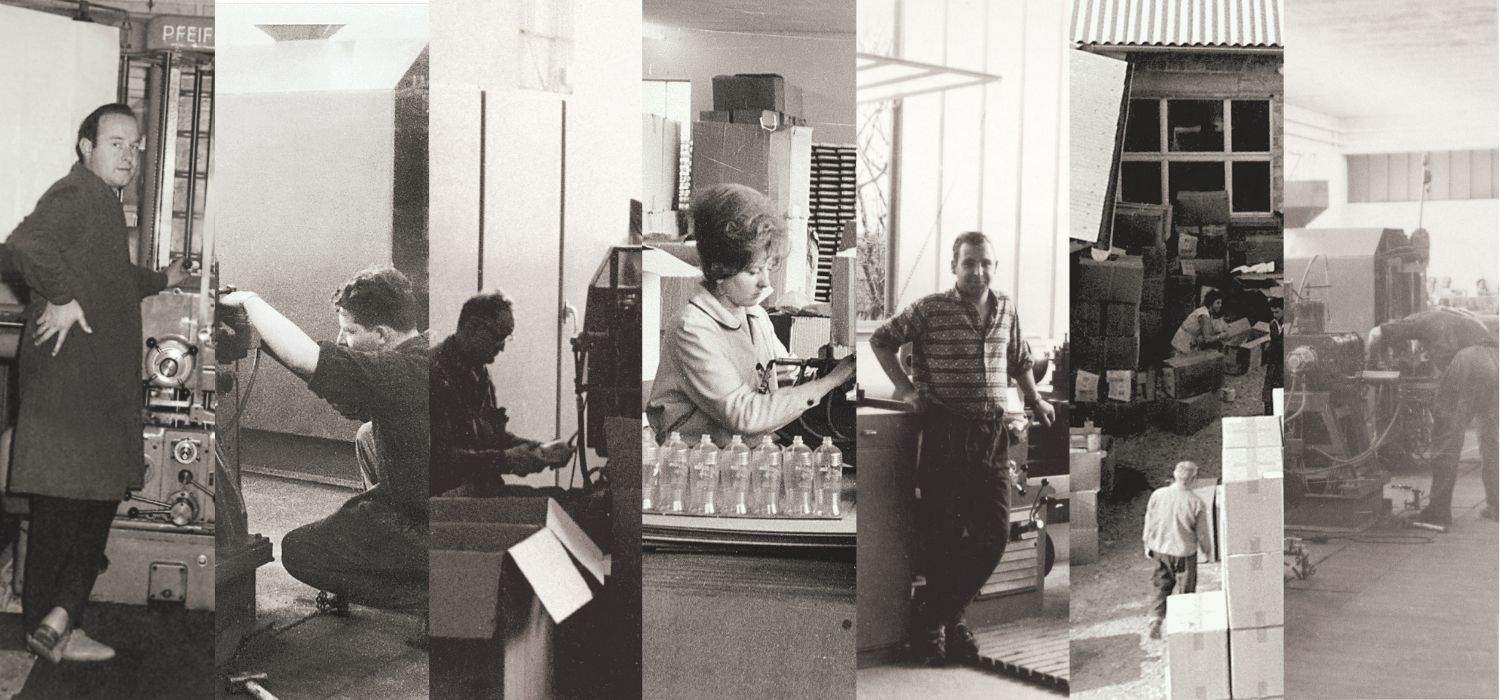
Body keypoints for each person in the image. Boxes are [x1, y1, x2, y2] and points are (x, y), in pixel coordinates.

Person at [7, 103, 189, 663]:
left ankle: (59, 621)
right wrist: (60, 296)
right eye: (115, 143)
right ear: (85, 146)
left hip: (91, 393)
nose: (128, 156)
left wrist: (164, 279)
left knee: (82, 508)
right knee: (70, 514)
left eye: (133, 147)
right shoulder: (78, 195)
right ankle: (56, 624)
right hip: (73, 392)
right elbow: (25, 245)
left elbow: (111, 277)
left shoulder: (102, 207)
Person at [869, 230, 1056, 665]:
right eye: (969, 262)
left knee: (992, 534)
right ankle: (949, 625)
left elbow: (1020, 360)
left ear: (995, 265)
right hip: (944, 432)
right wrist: (905, 388)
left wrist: (1036, 399)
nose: (978, 271)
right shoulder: (930, 309)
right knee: (945, 535)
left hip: (991, 434)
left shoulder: (1006, 307)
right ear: (954, 266)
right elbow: (882, 339)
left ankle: (935, 614)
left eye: (986, 262)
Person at [218, 267, 430, 613]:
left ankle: (433, 597)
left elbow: (314, 362)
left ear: (381, 335)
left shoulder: (403, 372)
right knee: (368, 436)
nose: (342, 339)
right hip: (433, 490)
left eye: (350, 330)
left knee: (301, 550)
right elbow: (340, 381)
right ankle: (396, 541)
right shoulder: (423, 349)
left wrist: (249, 301)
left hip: (432, 518)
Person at [646, 183, 853, 447]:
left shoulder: (755, 315)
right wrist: (832, 381)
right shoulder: (692, 328)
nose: (765, 283)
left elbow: (786, 377)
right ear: (719, 268)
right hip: (697, 468)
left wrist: (823, 370)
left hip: (746, 460)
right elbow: (743, 414)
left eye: (767, 268)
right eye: (754, 272)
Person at [430, 290, 574, 496]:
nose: (502, 348)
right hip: (449, 498)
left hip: (479, 492)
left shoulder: (479, 373)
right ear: (472, 328)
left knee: (561, 498)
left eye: (507, 338)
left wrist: (538, 450)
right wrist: (506, 459)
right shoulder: (435, 375)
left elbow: (493, 437)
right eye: (499, 337)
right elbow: (439, 459)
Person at [1367, 307, 1498, 526]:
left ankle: (1438, 511)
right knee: (1489, 439)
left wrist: (1370, 364)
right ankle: (1497, 505)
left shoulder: (1419, 321)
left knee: (1446, 435)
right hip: (1496, 361)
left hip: (1470, 361)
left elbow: (1375, 334)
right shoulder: (1460, 315)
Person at [1142, 461, 1212, 640]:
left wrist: (1147, 544)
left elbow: (1149, 520)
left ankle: (1155, 620)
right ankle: (1183, 629)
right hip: (1184, 553)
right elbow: (1202, 534)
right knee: (1186, 591)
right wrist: (1208, 551)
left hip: (1160, 549)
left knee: (1161, 586)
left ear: (1174, 474)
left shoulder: (1158, 495)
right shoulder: (1196, 502)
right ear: (1194, 479)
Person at [1170, 289, 1230, 356]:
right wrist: (1220, 336)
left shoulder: (1207, 312)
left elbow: (1209, 331)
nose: (1220, 305)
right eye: (1218, 303)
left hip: (1185, 341)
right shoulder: (1204, 315)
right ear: (1210, 303)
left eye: (1221, 303)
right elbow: (1207, 339)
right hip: (1181, 343)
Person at [1262, 298, 1284, 415]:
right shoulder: (1273, 324)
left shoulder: (1289, 324)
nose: (1275, 315)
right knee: (1270, 390)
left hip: (1282, 361)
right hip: (1274, 361)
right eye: (1273, 312)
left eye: (1277, 312)